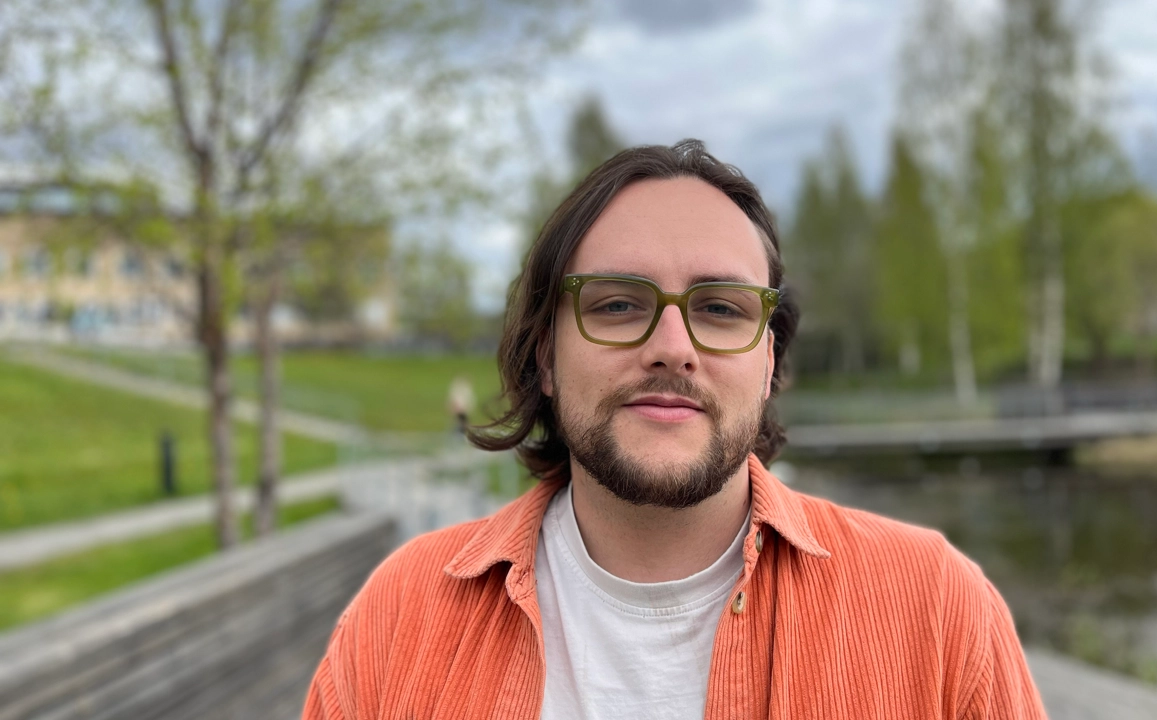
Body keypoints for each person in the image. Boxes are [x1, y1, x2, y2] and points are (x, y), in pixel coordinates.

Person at [302, 140, 1048, 719]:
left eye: (720, 309)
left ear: (768, 362)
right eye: (617, 304)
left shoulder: (936, 611)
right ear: (547, 357)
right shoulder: (397, 619)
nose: (672, 347)